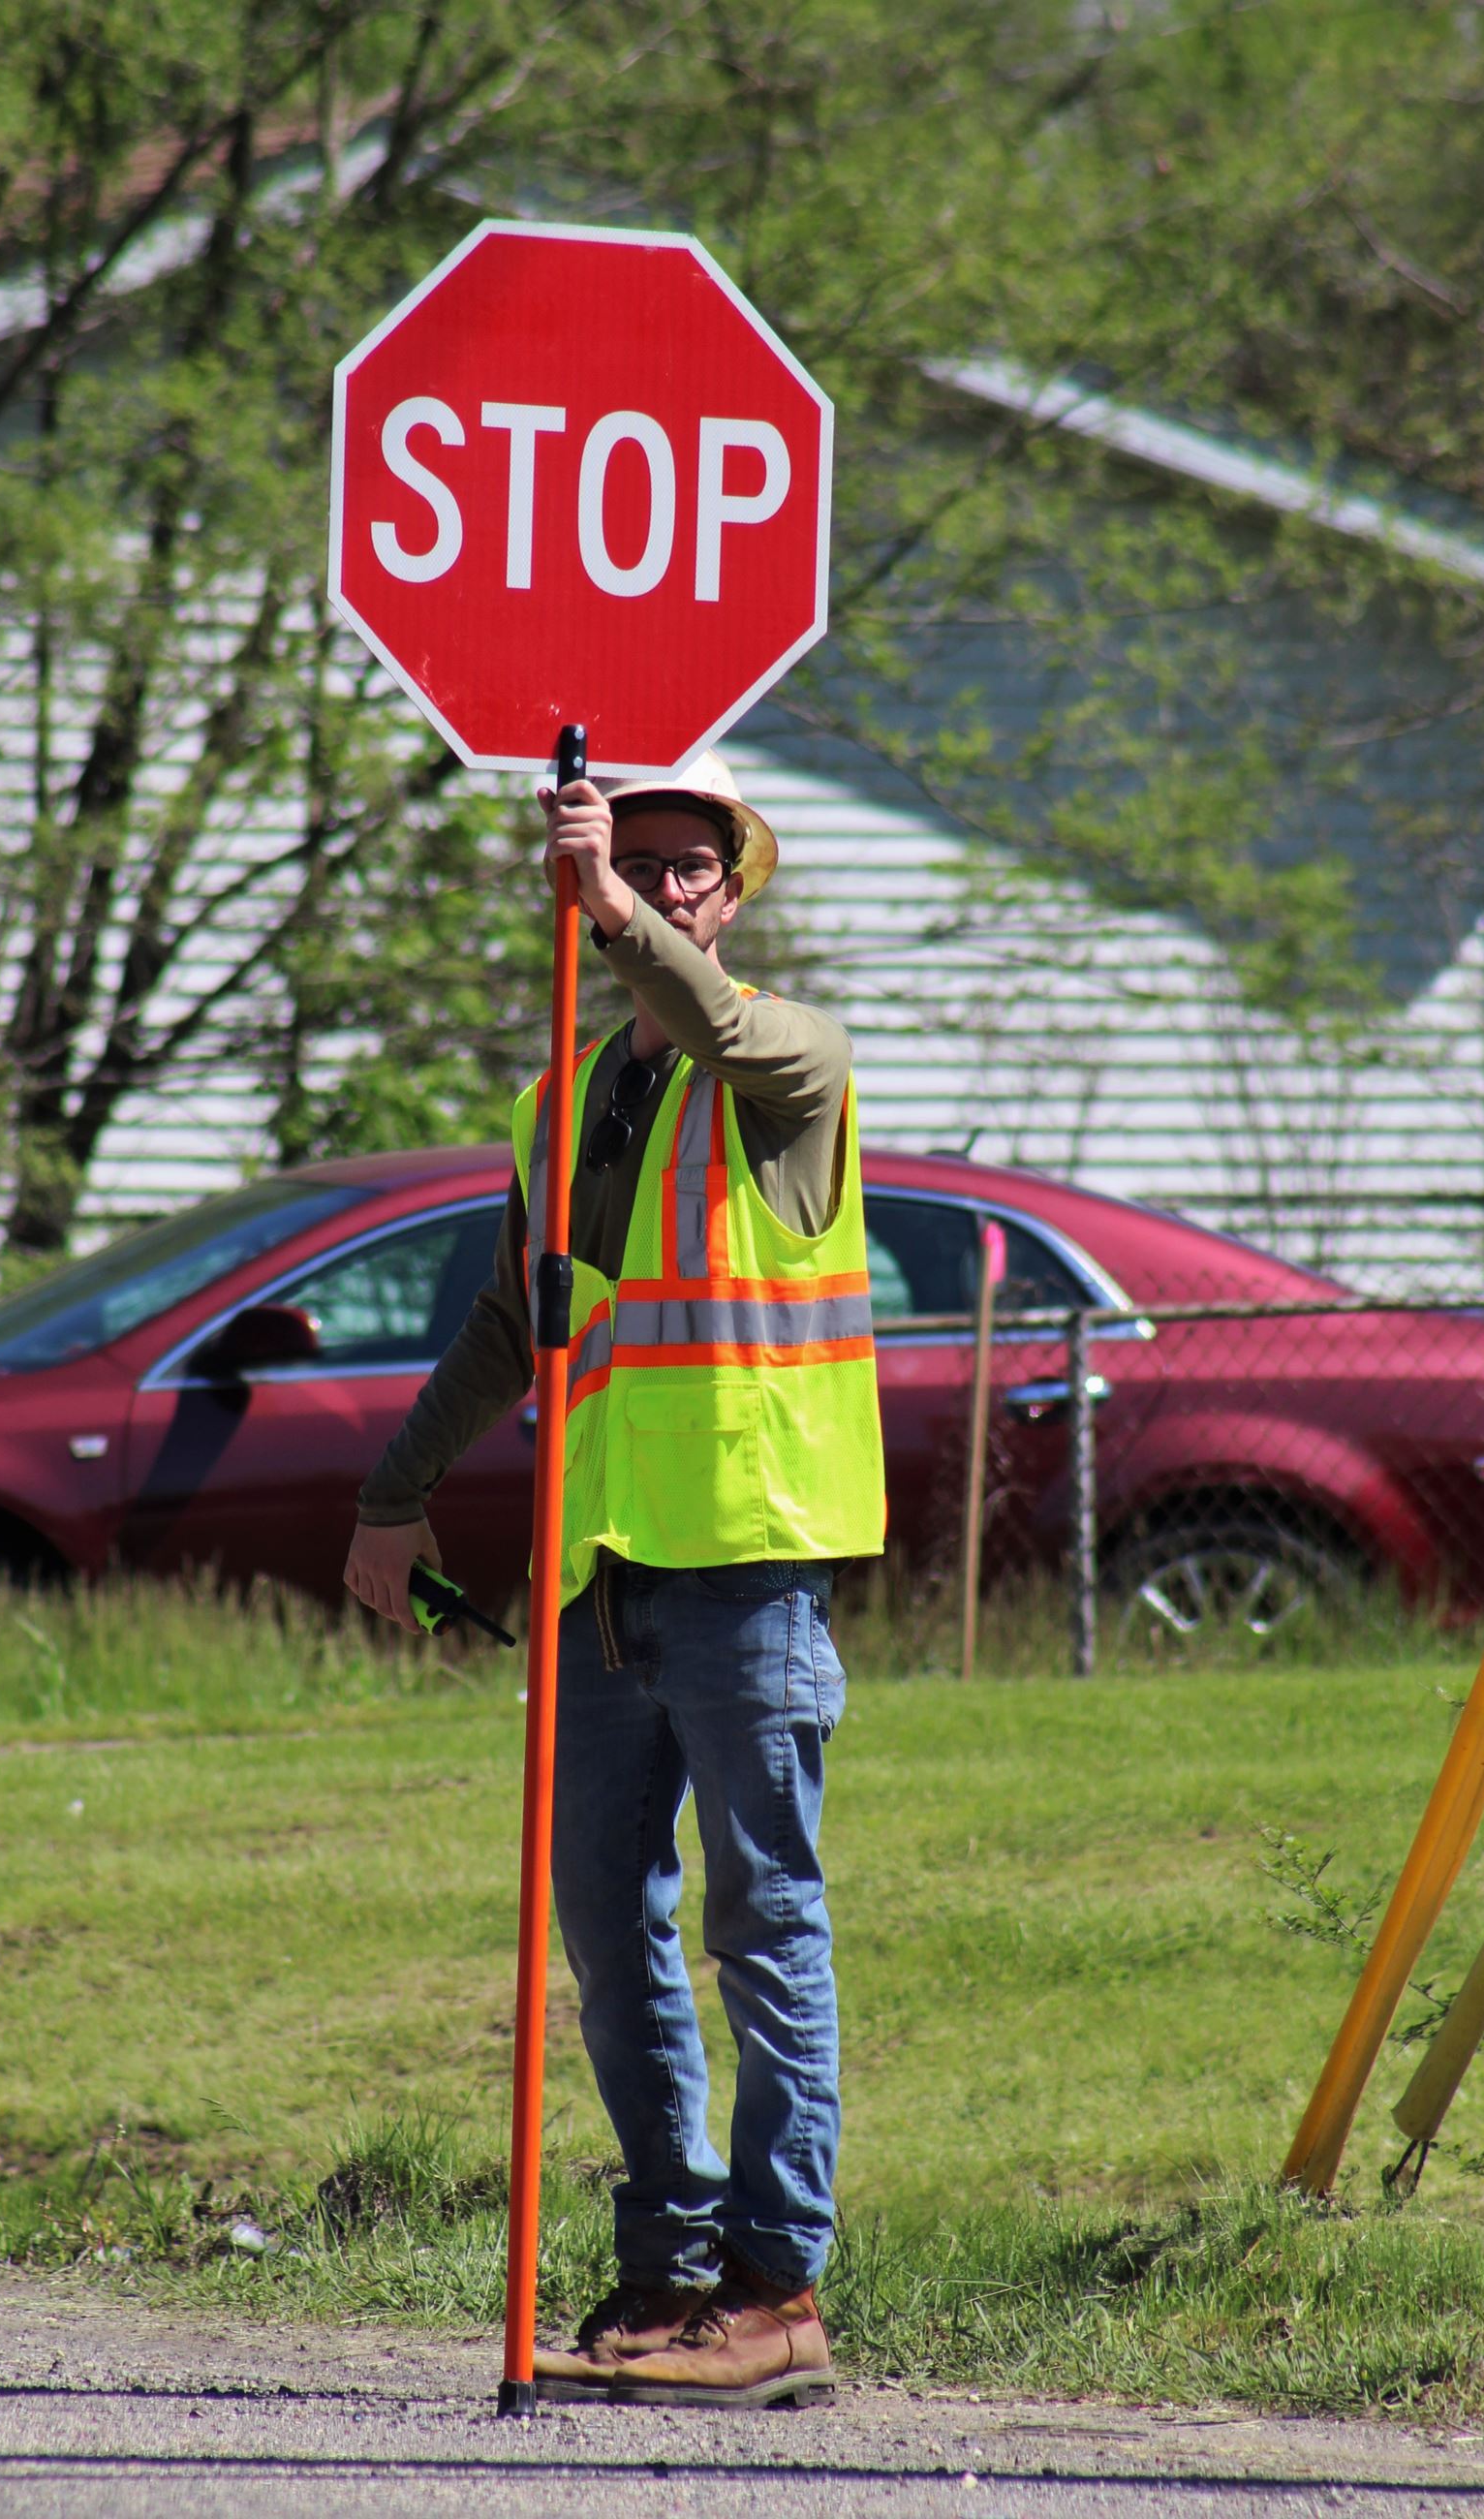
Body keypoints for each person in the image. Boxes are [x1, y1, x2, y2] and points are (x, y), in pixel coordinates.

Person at [344, 753, 884, 2410]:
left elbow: (707, 1015)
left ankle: (776, 2288)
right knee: (606, 1931)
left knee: (764, 1924)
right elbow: (518, 1321)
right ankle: (664, 2269)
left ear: (734, 890)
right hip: (597, 1577)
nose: (657, 884)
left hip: (747, 1564)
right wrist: (395, 1494)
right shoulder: (559, 1105)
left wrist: (606, 904)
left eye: (686, 867)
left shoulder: (787, 1061)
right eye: (627, 858)